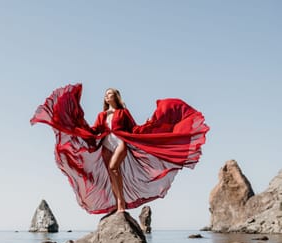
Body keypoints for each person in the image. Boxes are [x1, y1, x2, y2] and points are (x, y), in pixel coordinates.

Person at [30, 83, 209, 216]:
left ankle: (121, 204)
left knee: (115, 168)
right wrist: (76, 125)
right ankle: (118, 204)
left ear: (116, 96)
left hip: (121, 141)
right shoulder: (102, 115)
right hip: (106, 143)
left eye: (110, 94)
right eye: (106, 95)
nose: (107, 96)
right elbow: (94, 131)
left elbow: (133, 129)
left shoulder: (123, 113)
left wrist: (149, 124)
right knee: (111, 173)